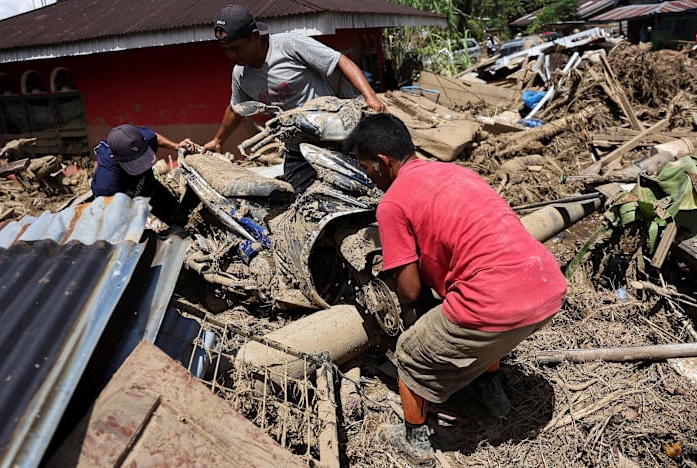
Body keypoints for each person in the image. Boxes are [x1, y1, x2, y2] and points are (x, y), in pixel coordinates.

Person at [346, 114, 567, 465]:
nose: (369, 177)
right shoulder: (458, 172)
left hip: (494, 304)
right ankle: (493, 394)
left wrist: (402, 269)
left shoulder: (392, 203)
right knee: (479, 318)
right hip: (547, 287)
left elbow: (408, 290)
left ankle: (415, 441)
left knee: (409, 352)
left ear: (383, 162)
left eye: (367, 168)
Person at [204, 4, 386, 193]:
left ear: (255, 37)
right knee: (303, 198)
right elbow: (236, 109)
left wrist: (370, 97)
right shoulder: (240, 75)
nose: (231, 55)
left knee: (365, 186)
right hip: (297, 145)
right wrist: (218, 140)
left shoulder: (289, 45)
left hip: (334, 134)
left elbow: (339, 60)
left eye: (236, 48)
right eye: (225, 50)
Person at [91, 124, 192, 226]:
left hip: (148, 185)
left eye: (142, 158)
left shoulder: (139, 139)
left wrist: (176, 146)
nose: (141, 165)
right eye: (134, 162)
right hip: (122, 199)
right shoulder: (106, 184)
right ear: (114, 157)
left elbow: (154, 137)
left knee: (179, 217)